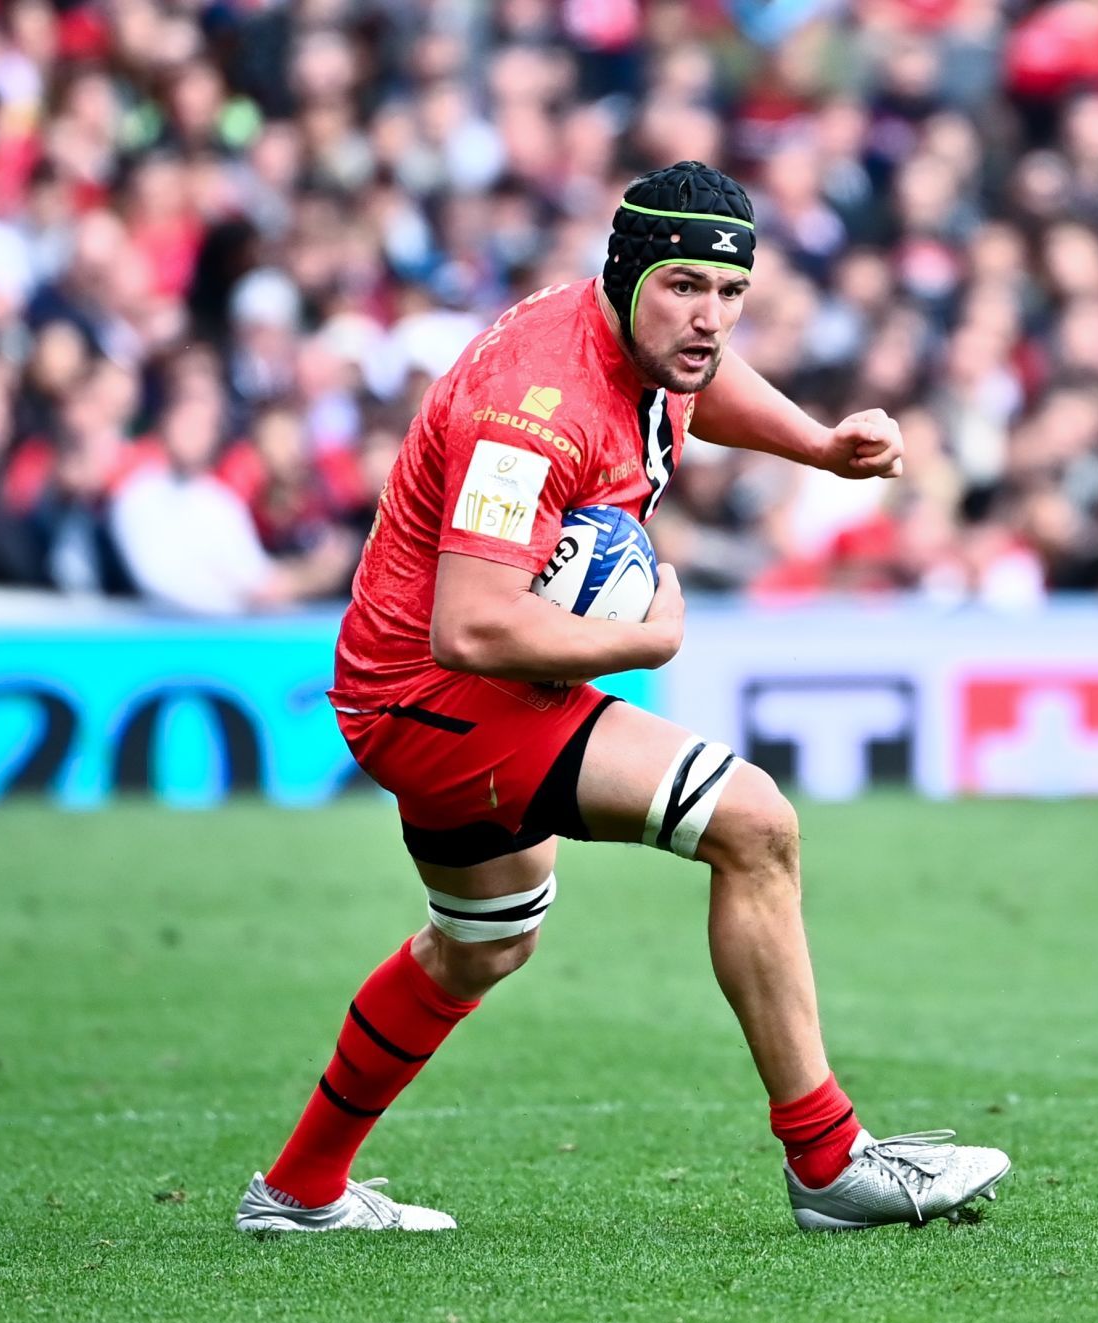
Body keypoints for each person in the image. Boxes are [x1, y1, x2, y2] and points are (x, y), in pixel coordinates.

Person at [237, 162, 1010, 1235]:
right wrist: (643, 640)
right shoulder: (531, 410)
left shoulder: (636, 337)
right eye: (685, 287)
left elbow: (698, 382)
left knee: (483, 940)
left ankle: (298, 1189)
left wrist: (818, 446)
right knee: (754, 824)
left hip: (430, 685)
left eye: (730, 292)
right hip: (440, 693)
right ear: (627, 277)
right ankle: (830, 1163)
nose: (710, 318)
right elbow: (473, 626)